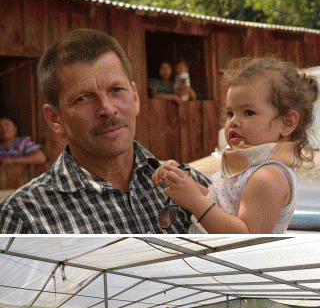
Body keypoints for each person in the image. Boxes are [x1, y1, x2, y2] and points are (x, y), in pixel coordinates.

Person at [0, 30, 209, 234]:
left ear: (135, 97)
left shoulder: (191, 184)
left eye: (116, 90)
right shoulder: (24, 219)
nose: (107, 109)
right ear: (55, 119)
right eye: (83, 98)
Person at [152, 57, 318, 235]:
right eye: (230, 113)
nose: (233, 122)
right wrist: (183, 182)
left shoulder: (269, 176)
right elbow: (218, 201)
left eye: (248, 112)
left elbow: (247, 238)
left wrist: (194, 201)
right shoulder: (246, 166)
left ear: (287, 123)